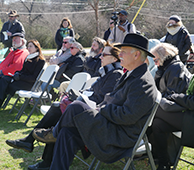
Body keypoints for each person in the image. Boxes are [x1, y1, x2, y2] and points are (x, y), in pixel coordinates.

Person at [32, 33, 158, 170]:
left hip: (120, 135)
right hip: (110, 125)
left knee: (76, 107)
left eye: (123, 52)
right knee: (67, 133)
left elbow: (127, 116)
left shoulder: (143, 82)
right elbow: (111, 99)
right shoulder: (132, 74)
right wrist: (98, 107)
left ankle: (53, 133)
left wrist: (100, 109)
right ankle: (56, 142)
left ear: (136, 55)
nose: (119, 55)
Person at [6, 42, 124, 170]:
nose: (100, 57)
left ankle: (37, 147)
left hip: (93, 117)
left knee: (58, 111)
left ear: (114, 58)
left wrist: (82, 98)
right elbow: (93, 93)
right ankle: (42, 153)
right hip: (84, 110)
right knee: (59, 110)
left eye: (104, 55)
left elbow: (102, 100)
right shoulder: (107, 73)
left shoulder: (116, 75)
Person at [150, 35, 194, 170]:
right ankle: (164, 163)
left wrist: (177, 97)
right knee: (157, 124)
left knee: (154, 110)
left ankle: (127, 144)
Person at [0, 39, 45, 107]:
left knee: (7, 85)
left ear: (36, 48)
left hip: (30, 84)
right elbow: (22, 71)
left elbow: (34, 78)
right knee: (4, 79)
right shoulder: (28, 57)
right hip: (22, 79)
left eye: (30, 46)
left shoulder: (40, 61)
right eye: (28, 46)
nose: (28, 48)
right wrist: (17, 73)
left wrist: (20, 76)